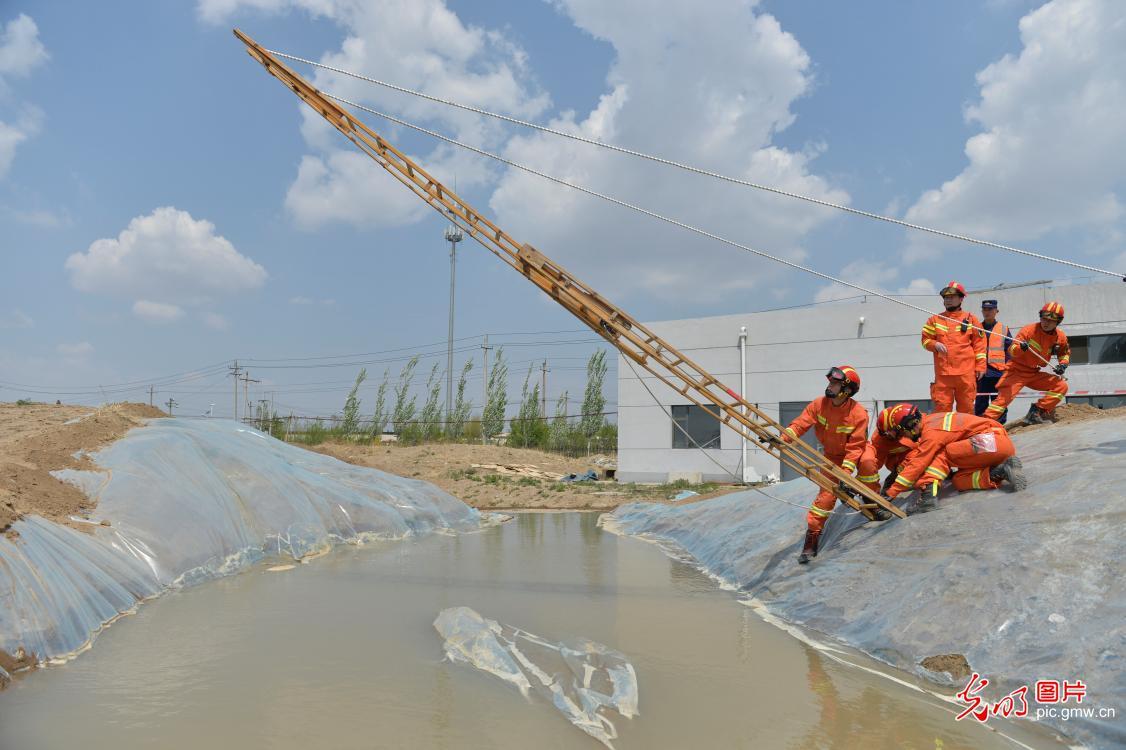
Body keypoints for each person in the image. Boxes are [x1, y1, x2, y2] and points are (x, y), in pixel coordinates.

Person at [781, 365, 887, 565]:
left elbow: (855, 447)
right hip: (831, 456)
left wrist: (846, 474)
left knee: (867, 463)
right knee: (826, 499)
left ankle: (872, 501)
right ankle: (812, 539)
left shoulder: (858, 414)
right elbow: (800, 424)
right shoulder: (819, 404)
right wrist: (783, 438)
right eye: (830, 382)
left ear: (847, 390)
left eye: (835, 383)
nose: (830, 386)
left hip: (857, 451)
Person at [882, 405, 1025, 511]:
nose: (904, 438)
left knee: (940, 455)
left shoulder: (931, 432)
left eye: (903, 434)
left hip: (988, 442)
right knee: (958, 481)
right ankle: (1002, 471)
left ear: (910, 426)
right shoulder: (934, 420)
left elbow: (919, 462)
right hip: (999, 446)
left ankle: (928, 498)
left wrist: (892, 492)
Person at [985, 302, 1070, 425]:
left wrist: (1063, 365)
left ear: (1058, 322)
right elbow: (1012, 351)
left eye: (1051, 321)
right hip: (1016, 371)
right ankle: (983, 425)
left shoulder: (1060, 336)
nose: (1046, 323)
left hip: (1033, 373)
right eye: (1044, 319)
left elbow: (1064, 352)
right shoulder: (1029, 330)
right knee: (1001, 403)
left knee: (1061, 386)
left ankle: (1036, 412)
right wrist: (1021, 348)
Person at [921, 282, 986, 414]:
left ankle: (965, 433)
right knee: (942, 409)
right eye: (946, 297)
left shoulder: (971, 319)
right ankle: (943, 435)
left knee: (966, 409)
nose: (948, 300)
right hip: (944, 374)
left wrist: (981, 366)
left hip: (966, 373)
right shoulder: (934, 320)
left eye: (951, 297)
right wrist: (934, 344)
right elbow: (925, 340)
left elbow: (980, 345)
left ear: (961, 299)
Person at [974, 299, 1013, 423]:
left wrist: (1008, 369)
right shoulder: (976, 328)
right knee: (981, 401)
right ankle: (981, 425)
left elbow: (1010, 350)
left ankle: (1000, 425)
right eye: (984, 309)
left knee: (999, 400)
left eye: (990, 309)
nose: (987, 312)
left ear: (996, 311)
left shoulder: (1003, 329)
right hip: (981, 373)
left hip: (998, 372)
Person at [870, 404, 920, 493]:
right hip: (898, 466)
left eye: (890, 431)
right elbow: (875, 464)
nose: (888, 435)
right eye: (886, 433)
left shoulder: (913, 425)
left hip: (917, 459)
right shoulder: (880, 440)